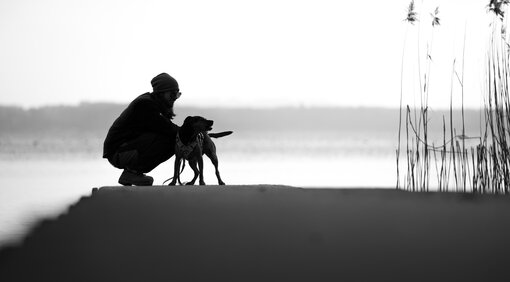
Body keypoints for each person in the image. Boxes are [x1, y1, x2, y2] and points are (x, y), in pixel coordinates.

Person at [103, 73, 181, 186]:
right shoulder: (145, 104)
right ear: (161, 93)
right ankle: (132, 174)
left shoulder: (155, 105)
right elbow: (167, 129)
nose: (174, 98)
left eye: (177, 94)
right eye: (172, 94)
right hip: (117, 152)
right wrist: (191, 133)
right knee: (172, 140)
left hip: (126, 148)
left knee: (174, 138)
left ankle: (134, 173)